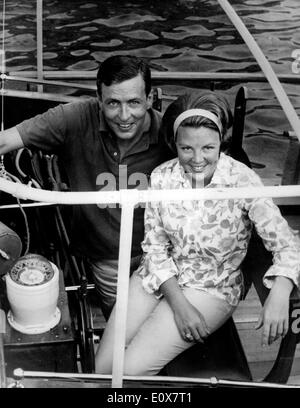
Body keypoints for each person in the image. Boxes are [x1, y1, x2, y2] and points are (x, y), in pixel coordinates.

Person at [95, 90, 300, 376]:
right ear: (174, 144)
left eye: (208, 148)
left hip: (210, 288)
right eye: (186, 149)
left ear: (221, 145)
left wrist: (281, 289)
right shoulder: (162, 177)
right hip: (157, 276)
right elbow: (154, 248)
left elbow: (288, 244)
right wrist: (178, 305)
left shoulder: (243, 180)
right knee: (102, 368)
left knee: (126, 372)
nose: (197, 159)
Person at [0, 55, 173, 319]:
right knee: (123, 327)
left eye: (134, 103)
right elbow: (5, 141)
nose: (124, 116)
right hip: (108, 258)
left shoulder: (170, 135)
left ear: (150, 99)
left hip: (166, 256)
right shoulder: (76, 118)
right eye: (113, 103)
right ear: (99, 99)